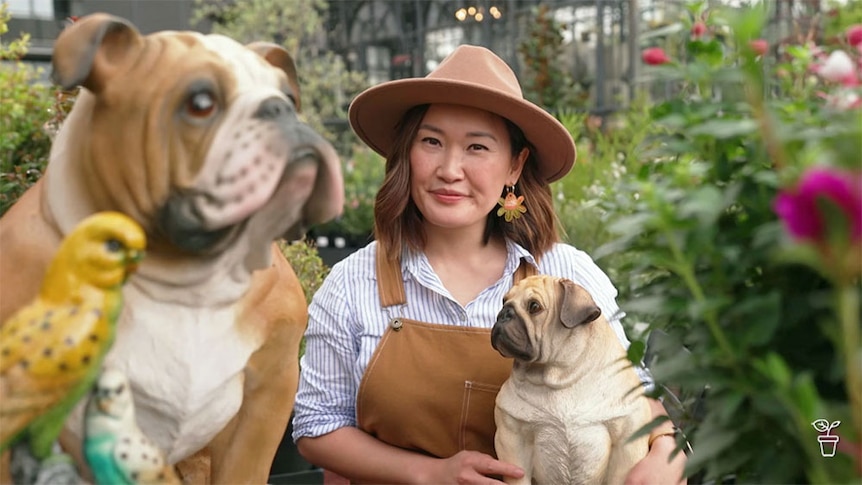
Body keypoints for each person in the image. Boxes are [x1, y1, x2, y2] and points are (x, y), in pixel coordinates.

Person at [292, 44, 687, 484]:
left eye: (477, 147)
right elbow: (316, 426)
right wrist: (431, 474)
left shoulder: (568, 276)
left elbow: (636, 394)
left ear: (515, 166)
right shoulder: (353, 283)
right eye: (431, 141)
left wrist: (667, 451)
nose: (449, 169)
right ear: (406, 152)